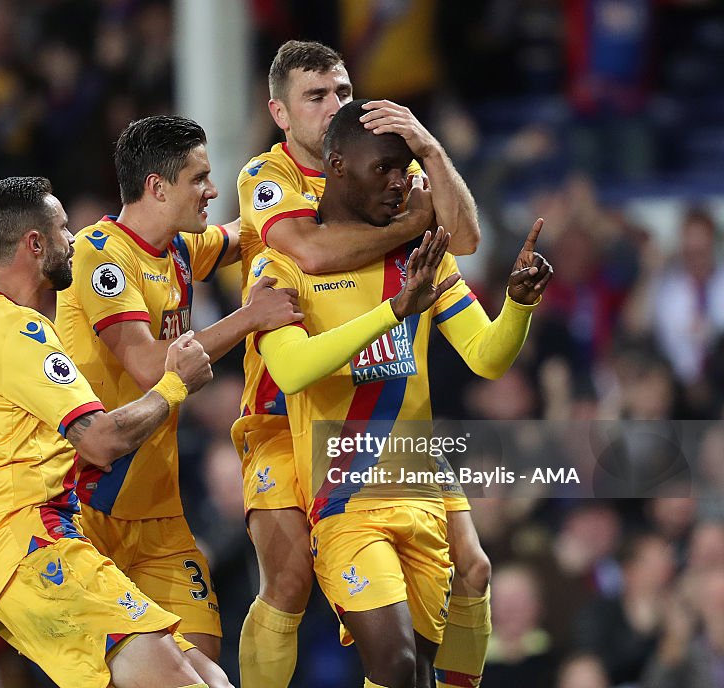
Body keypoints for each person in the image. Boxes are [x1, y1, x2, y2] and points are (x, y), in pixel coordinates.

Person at [254, 100, 552, 688]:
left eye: (406, 167)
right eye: (383, 170)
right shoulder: (285, 263)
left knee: (459, 602)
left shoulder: (422, 261)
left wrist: (519, 303)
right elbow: (290, 371)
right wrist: (393, 311)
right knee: (394, 666)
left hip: (417, 474)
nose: (401, 182)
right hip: (344, 491)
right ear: (336, 167)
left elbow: (487, 357)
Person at [232, 39, 487, 688]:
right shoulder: (269, 178)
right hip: (287, 406)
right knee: (288, 582)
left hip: (386, 411)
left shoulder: (391, 166)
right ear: (280, 113)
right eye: (315, 97)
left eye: (342, 92)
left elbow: (463, 239)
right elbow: (310, 253)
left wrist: (428, 148)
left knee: (472, 570)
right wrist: (411, 224)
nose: (334, 107)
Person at [0, 176, 230, 688]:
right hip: (36, 549)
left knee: (211, 680)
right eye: (65, 229)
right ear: (35, 244)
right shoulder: (19, 332)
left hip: (4, 564)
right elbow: (101, 441)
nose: (74, 239)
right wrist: (175, 384)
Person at [56, 115, 302, 662]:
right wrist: (249, 317)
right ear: (157, 187)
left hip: (160, 514)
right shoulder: (99, 255)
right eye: (200, 178)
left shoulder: (182, 249)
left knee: (206, 666)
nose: (212, 190)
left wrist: (306, 192)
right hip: (88, 508)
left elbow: (246, 232)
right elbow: (150, 365)